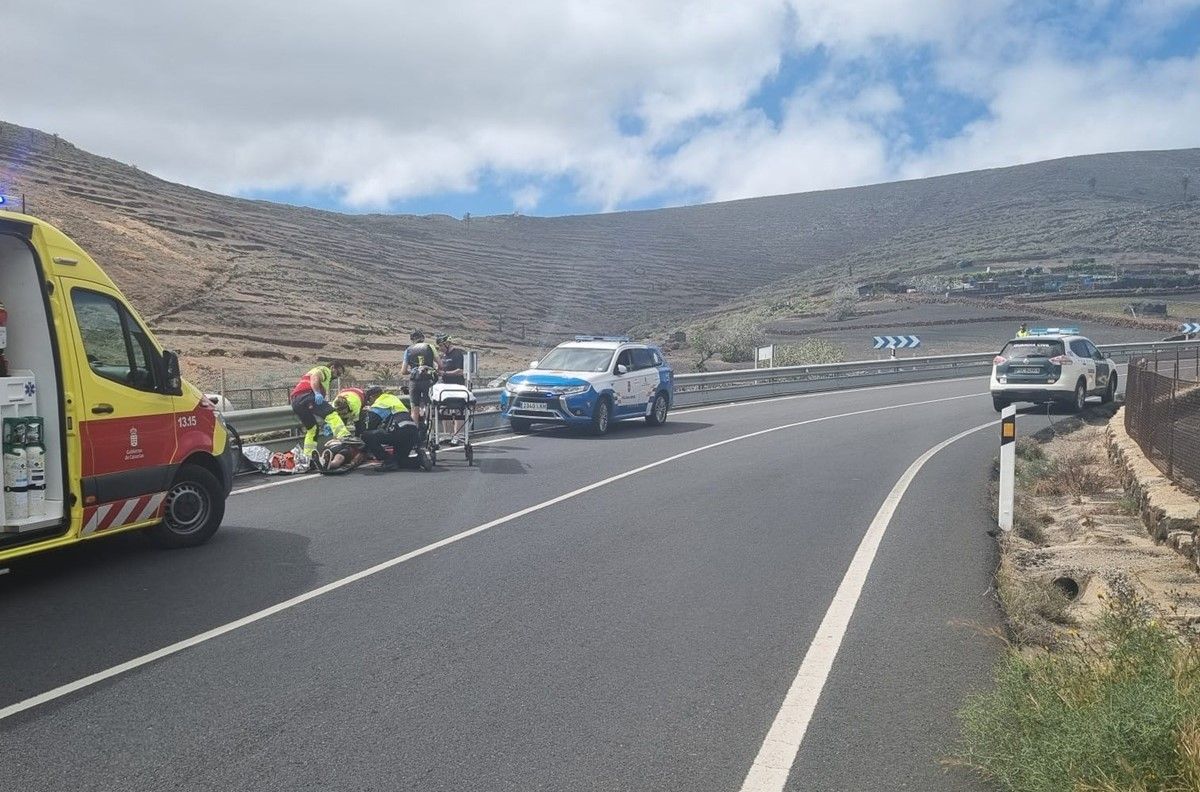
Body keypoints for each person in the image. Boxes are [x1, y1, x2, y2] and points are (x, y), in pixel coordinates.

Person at [289, 362, 348, 462]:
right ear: (333, 367)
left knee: (312, 429)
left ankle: (308, 456)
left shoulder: (323, 377)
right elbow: (315, 378)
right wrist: (316, 393)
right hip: (308, 396)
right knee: (331, 413)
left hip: (296, 402)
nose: (337, 376)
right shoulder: (325, 370)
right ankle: (344, 436)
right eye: (338, 373)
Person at [360, 385, 422, 471]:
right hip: (412, 432)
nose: (369, 403)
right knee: (400, 461)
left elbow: (370, 425)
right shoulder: (393, 398)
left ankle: (388, 461)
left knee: (366, 435)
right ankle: (419, 460)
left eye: (368, 401)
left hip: (398, 431)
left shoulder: (379, 403)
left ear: (372, 397)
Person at [402, 331, 439, 425]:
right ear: (423, 338)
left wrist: (414, 370)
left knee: (414, 410)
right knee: (429, 407)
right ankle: (430, 433)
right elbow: (440, 364)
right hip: (428, 380)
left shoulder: (408, 350)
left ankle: (414, 434)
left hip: (414, 382)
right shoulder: (430, 347)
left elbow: (403, 371)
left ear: (412, 340)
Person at [436, 333, 467, 444]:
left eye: (441, 346)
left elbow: (460, 371)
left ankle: (457, 435)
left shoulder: (457, 353)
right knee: (444, 410)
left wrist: (445, 373)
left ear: (447, 344)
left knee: (458, 411)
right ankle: (447, 434)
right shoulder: (443, 356)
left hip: (457, 386)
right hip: (445, 387)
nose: (440, 349)